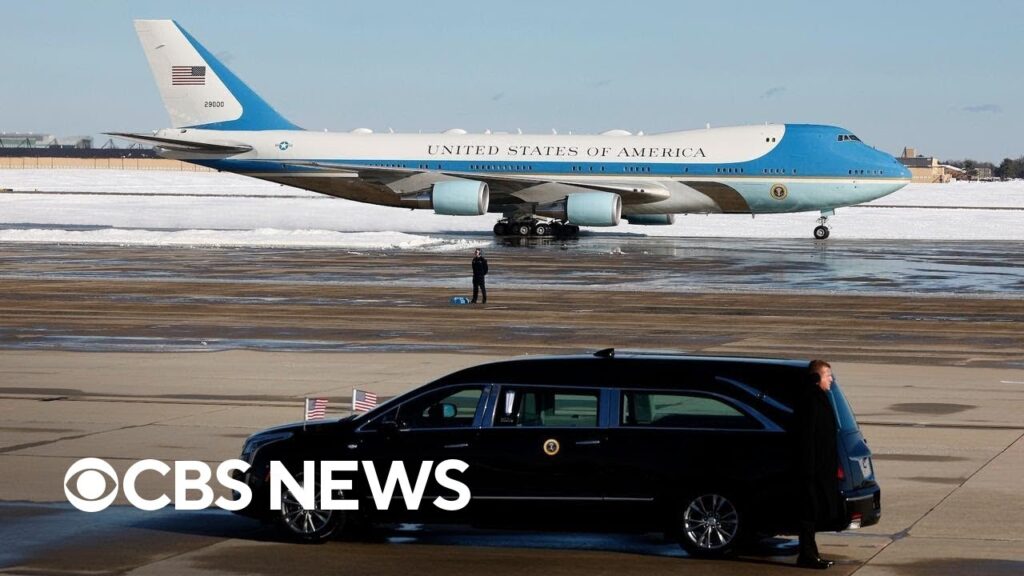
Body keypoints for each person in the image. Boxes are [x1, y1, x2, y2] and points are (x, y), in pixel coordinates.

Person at [793, 359, 841, 569]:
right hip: (812, 469)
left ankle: (811, 553)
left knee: (813, 512)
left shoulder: (819, 397)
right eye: (827, 375)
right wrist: (809, 469)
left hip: (820, 468)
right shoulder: (811, 400)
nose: (831, 379)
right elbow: (807, 437)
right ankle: (807, 555)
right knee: (808, 513)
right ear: (816, 377)